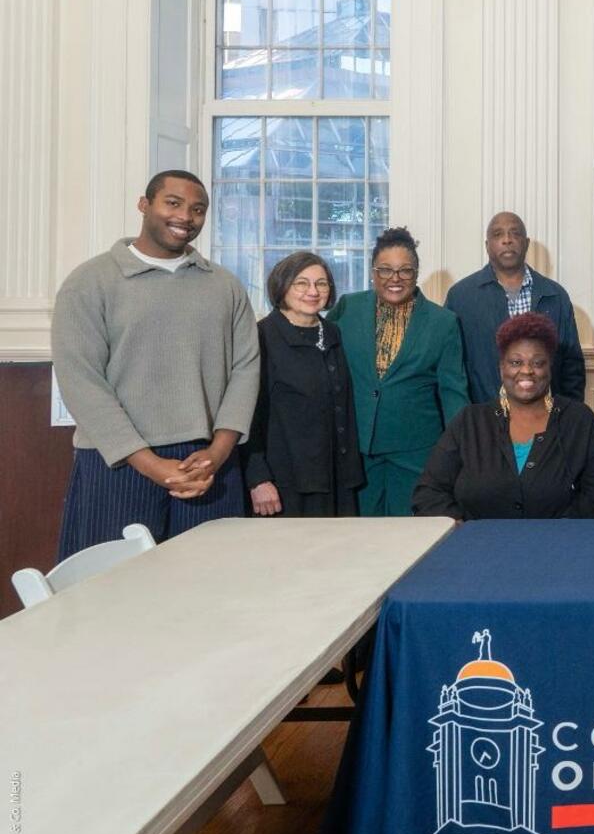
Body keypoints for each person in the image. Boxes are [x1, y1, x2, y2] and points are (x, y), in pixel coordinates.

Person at [52, 170, 259, 560]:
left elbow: (246, 370)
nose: (186, 217)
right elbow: (82, 382)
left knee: (209, 590)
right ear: (144, 205)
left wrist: (218, 452)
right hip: (119, 462)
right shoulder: (89, 283)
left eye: (198, 209)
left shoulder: (225, 286)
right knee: (108, 594)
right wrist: (148, 464)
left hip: (208, 463)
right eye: (173, 203)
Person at [413, 313, 594, 520]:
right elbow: (429, 494)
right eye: (516, 362)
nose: (527, 371)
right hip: (477, 546)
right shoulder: (469, 421)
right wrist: (465, 529)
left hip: (558, 547)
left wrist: (557, 533)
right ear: (502, 368)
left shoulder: (579, 420)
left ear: (550, 368)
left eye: (538, 363)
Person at [327, 227, 468, 517]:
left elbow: (453, 394)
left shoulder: (443, 323)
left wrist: (459, 454)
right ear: (372, 272)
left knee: (412, 539)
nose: (395, 279)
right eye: (385, 270)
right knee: (361, 540)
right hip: (357, 453)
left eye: (405, 270)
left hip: (417, 454)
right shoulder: (347, 309)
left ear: (416, 273)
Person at [243, 252, 364, 518]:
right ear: (282, 285)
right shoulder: (261, 337)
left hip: (338, 478)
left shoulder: (333, 333)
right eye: (301, 283)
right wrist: (258, 478)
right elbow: (246, 414)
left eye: (321, 283)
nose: (313, 291)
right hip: (284, 483)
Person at [445, 211, 586, 404]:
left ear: (526, 243)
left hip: (546, 420)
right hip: (483, 420)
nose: (507, 240)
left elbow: (572, 368)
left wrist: (568, 420)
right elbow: (451, 369)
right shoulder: (461, 297)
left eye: (515, 233)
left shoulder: (555, 296)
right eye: (498, 234)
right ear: (487, 246)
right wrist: (466, 424)